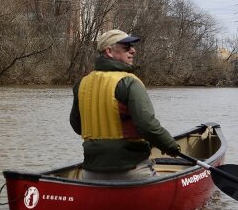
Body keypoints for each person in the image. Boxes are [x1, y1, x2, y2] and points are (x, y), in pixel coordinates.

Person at [70, 29, 181, 181]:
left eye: (132, 47)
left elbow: (77, 126)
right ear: (109, 51)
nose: (133, 51)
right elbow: (147, 126)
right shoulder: (130, 83)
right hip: (132, 170)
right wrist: (172, 147)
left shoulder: (81, 84)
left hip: (91, 172)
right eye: (126, 47)